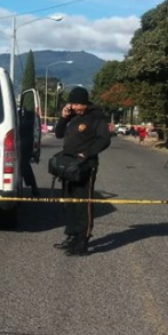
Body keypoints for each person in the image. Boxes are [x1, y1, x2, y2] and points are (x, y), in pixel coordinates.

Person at [53, 86, 111, 256]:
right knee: (68, 202)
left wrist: (87, 153)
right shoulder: (72, 116)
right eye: (73, 103)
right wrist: (63, 118)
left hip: (86, 166)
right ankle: (71, 235)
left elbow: (104, 140)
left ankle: (82, 241)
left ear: (85, 103)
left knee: (83, 203)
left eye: (78, 104)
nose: (76, 107)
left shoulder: (96, 117)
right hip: (69, 166)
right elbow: (58, 134)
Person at [18, 105, 40, 197]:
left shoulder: (30, 121)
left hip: (24, 142)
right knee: (23, 164)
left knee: (23, 164)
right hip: (21, 140)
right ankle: (32, 186)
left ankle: (33, 186)